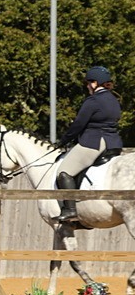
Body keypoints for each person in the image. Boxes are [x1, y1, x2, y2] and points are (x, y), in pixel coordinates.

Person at [53, 65, 124, 224]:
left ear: (95, 83)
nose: (87, 86)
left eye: (88, 83)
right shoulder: (114, 100)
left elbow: (79, 124)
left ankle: (71, 210)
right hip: (113, 143)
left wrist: (63, 140)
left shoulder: (93, 100)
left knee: (64, 172)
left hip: (94, 142)